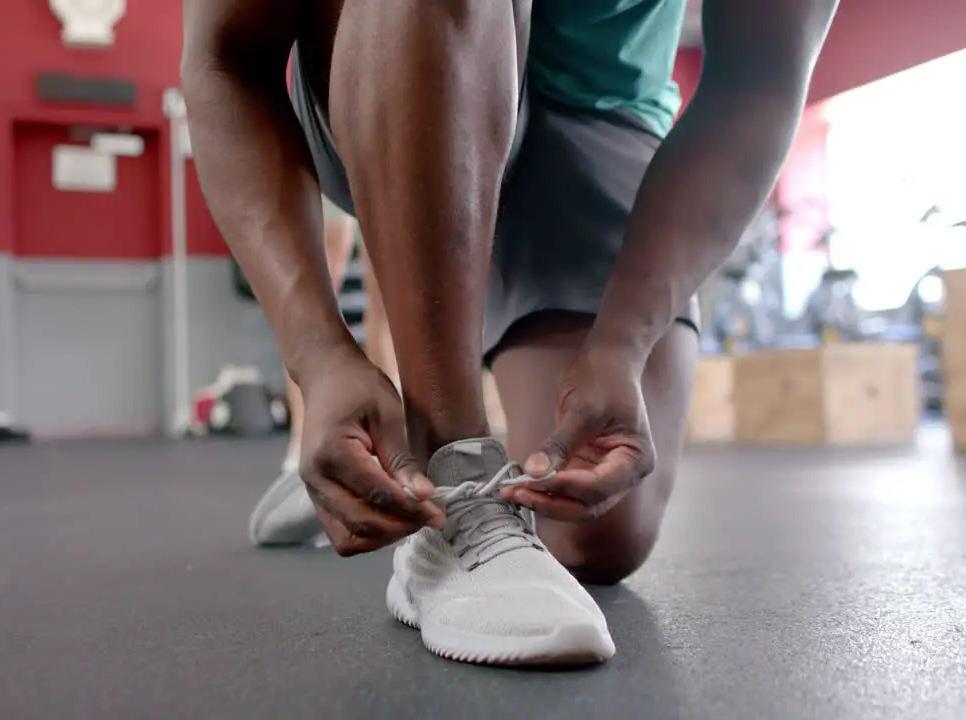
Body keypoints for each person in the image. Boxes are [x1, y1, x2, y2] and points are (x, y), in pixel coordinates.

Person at [183, 0, 837, 666]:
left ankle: (386, 465)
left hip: (599, 109)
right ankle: (448, 475)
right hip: (393, 45)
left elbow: (757, 82)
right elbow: (226, 58)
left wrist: (621, 341)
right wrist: (319, 355)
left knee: (598, 529)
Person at [247, 196, 398, 547]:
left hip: (378, 158)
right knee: (318, 286)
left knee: (390, 297)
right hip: (330, 161)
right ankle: (303, 445)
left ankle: (393, 444)